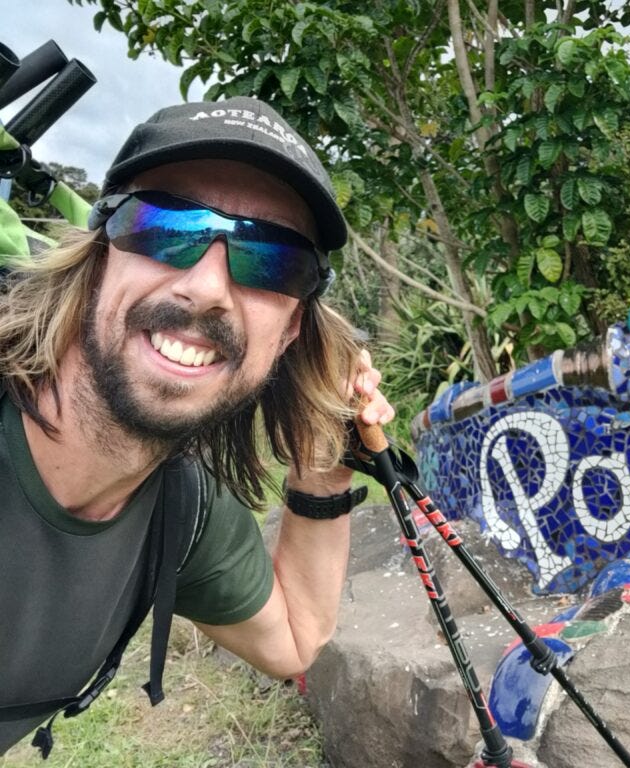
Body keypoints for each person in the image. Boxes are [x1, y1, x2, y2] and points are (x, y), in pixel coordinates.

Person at [0, 95, 394, 755]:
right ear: (99, 254)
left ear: (291, 329)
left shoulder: (179, 509)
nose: (208, 288)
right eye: (165, 225)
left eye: (270, 259)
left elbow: (295, 640)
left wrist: (323, 454)